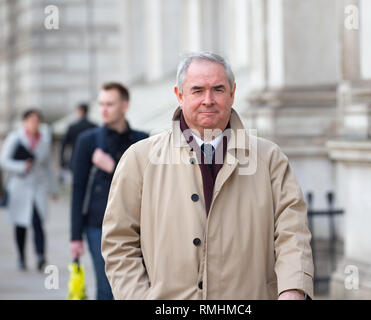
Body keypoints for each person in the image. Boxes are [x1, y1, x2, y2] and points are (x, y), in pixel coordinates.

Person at [101, 52, 314, 300]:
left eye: (218, 89)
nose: (208, 100)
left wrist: (292, 289)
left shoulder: (270, 159)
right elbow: (119, 241)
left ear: (233, 94)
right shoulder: (139, 159)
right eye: (197, 90)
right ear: (179, 95)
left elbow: (293, 233)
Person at [70, 82, 149, 300]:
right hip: (98, 225)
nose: (103, 109)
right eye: (101, 104)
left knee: (138, 285)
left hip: (139, 224)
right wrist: (75, 237)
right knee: (106, 287)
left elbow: (148, 185)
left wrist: (112, 167)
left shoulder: (142, 140)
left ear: (125, 106)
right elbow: (78, 189)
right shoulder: (88, 141)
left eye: (110, 104)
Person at [0, 109, 58, 271]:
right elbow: (4, 161)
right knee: (20, 224)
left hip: (37, 187)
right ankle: (21, 256)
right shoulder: (15, 138)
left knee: (38, 222)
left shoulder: (44, 141)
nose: (34, 124)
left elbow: (48, 168)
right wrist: (21, 166)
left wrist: (53, 190)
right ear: (25, 121)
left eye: (37, 121)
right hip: (19, 186)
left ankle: (40, 255)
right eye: (31, 120)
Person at [60, 103, 97, 172]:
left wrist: (62, 161)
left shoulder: (72, 127)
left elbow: (63, 145)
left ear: (80, 111)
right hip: (92, 161)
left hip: (75, 160)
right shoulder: (94, 126)